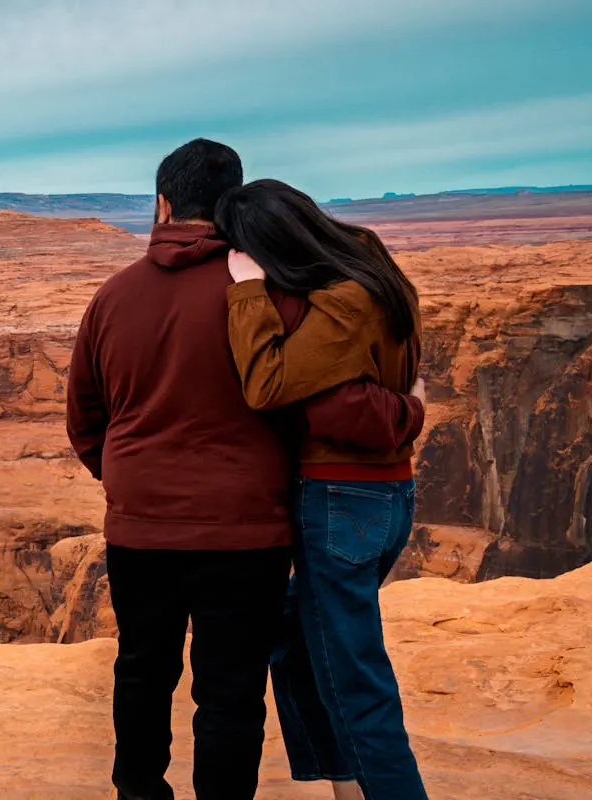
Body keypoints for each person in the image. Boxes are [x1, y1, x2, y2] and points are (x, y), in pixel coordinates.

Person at [66, 141, 424, 800]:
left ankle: (138, 794)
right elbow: (324, 405)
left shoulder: (111, 298)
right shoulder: (273, 297)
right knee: (230, 688)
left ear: (162, 204)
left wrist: (129, 482)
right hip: (247, 531)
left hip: (141, 527)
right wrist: (406, 412)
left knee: (141, 669)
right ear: (232, 204)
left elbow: (85, 419)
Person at [216, 178, 429, 800]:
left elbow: (267, 384)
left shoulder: (344, 301)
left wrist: (248, 289)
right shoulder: (370, 266)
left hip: (342, 498)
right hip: (381, 496)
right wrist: (406, 411)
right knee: (298, 641)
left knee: (353, 681)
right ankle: (344, 786)